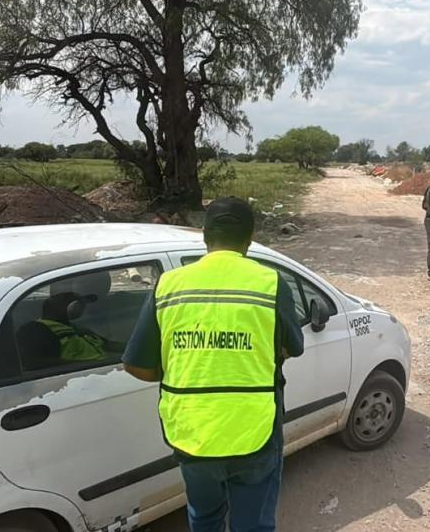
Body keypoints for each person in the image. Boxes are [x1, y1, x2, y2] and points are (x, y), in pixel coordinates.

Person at [123, 197, 304, 532]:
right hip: (256, 431)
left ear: (204, 235)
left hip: (192, 432)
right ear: (250, 240)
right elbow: (292, 347)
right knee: (252, 526)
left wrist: (189, 365)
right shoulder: (271, 282)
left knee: (204, 518)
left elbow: (136, 365)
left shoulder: (169, 284)